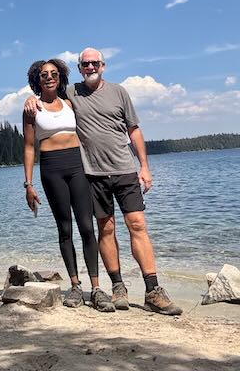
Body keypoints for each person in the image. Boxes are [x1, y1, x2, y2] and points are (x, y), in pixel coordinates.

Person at [25, 48, 182, 316]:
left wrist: (144, 166)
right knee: (100, 228)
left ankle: (149, 289)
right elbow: (34, 131)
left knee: (133, 224)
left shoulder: (108, 93)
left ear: (103, 65)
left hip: (119, 169)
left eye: (94, 63)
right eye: (85, 64)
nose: (90, 67)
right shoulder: (64, 96)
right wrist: (30, 97)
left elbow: (134, 129)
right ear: (79, 68)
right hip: (89, 173)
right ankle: (112, 286)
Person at [23, 58, 114, 312]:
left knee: (87, 227)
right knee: (64, 229)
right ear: (37, 79)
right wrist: (28, 184)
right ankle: (75, 285)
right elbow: (29, 147)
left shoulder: (69, 103)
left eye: (54, 74)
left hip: (77, 166)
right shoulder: (32, 108)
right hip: (51, 169)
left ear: (60, 77)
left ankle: (96, 288)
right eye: (44, 75)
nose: (49, 78)